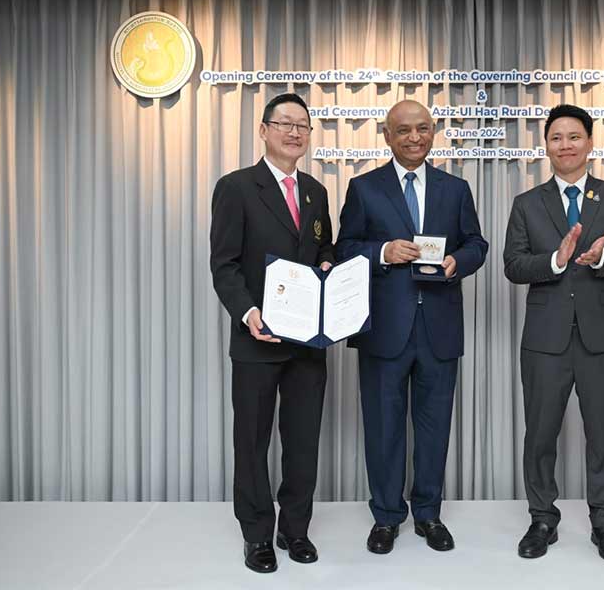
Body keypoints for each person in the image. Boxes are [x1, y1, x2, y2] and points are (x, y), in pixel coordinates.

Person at [336, 99, 488, 554]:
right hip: (384, 329)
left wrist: (455, 262)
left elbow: (476, 244)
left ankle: (428, 513)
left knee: (434, 425)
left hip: (439, 327)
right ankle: (386, 517)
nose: (414, 137)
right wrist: (383, 253)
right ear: (386, 136)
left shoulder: (455, 189)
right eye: (403, 130)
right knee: (382, 427)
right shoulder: (364, 188)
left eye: (423, 128)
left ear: (434, 130)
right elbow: (345, 248)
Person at [503, 104, 604, 563]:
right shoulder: (526, 203)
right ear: (546, 146)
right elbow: (513, 266)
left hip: (603, 339)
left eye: (574, 136)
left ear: (589, 142)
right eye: (556, 137)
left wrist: (600, 259)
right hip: (545, 340)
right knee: (540, 433)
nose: (565, 145)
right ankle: (542, 518)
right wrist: (557, 261)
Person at [209, 93, 334, 573]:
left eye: (303, 125)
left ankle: (295, 530)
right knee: (253, 440)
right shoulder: (237, 187)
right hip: (256, 339)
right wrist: (247, 312)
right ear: (264, 130)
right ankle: (257, 535)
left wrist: (327, 260)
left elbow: (324, 246)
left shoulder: (316, 193)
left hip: (307, 342)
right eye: (285, 123)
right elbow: (223, 266)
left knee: (303, 440)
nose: (295, 132)